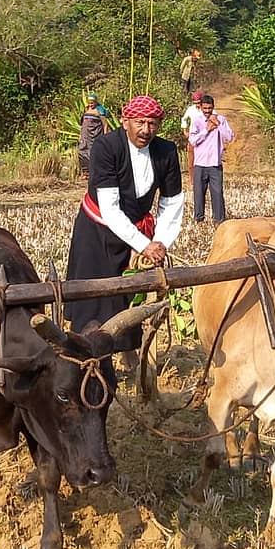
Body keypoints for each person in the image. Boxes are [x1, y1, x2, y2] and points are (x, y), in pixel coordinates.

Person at [65, 95, 184, 368]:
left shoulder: (166, 151)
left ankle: (128, 350)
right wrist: (144, 245)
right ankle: (87, 357)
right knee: (93, 295)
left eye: (152, 124)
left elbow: (172, 202)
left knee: (130, 294)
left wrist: (160, 242)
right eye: (140, 122)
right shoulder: (106, 147)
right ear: (124, 121)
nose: (146, 130)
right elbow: (109, 207)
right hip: (97, 231)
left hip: (138, 232)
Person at [189, 94, 234, 224]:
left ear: (213, 107)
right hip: (200, 164)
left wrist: (218, 124)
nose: (207, 111)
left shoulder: (221, 119)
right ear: (201, 107)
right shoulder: (196, 121)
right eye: (205, 108)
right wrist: (206, 130)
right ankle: (199, 220)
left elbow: (229, 137)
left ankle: (219, 220)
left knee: (217, 193)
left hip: (215, 164)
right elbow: (193, 141)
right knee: (198, 194)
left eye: (209, 108)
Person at [78, 92, 108, 179]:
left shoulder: (100, 110)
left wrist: (105, 136)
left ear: (96, 102)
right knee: (82, 151)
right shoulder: (86, 109)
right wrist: (80, 134)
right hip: (85, 135)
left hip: (95, 135)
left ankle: (95, 173)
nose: (91, 105)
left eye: (92, 103)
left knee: (94, 152)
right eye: (89, 103)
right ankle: (86, 172)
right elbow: (83, 123)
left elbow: (105, 124)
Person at [180, 89, 204, 185]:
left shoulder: (206, 109)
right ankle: (192, 180)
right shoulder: (191, 109)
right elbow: (184, 119)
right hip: (193, 137)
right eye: (195, 103)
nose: (197, 105)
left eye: (199, 102)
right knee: (191, 158)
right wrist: (185, 130)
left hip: (204, 137)